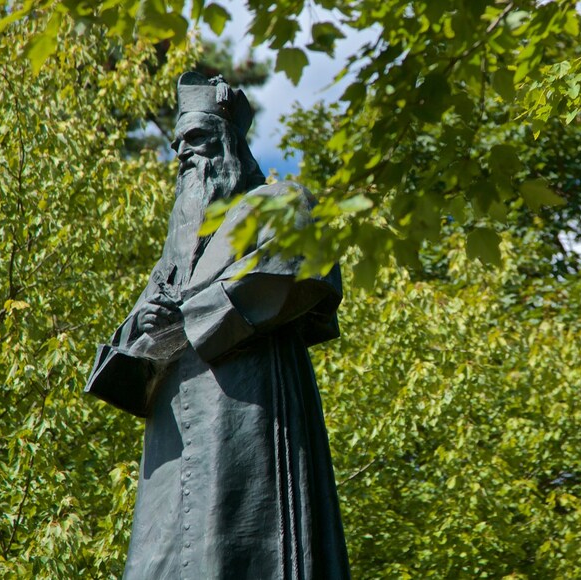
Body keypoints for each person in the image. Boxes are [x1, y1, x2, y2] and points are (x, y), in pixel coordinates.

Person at [85, 72, 350, 579]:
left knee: (242, 549)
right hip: (174, 434)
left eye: (197, 138)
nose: (184, 152)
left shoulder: (280, 201)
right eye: (177, 142)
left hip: (245, 411)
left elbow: (301, 267)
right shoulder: (175, 249)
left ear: (229, 140)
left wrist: (193, 320)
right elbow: (132, 344)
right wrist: (142, 327)